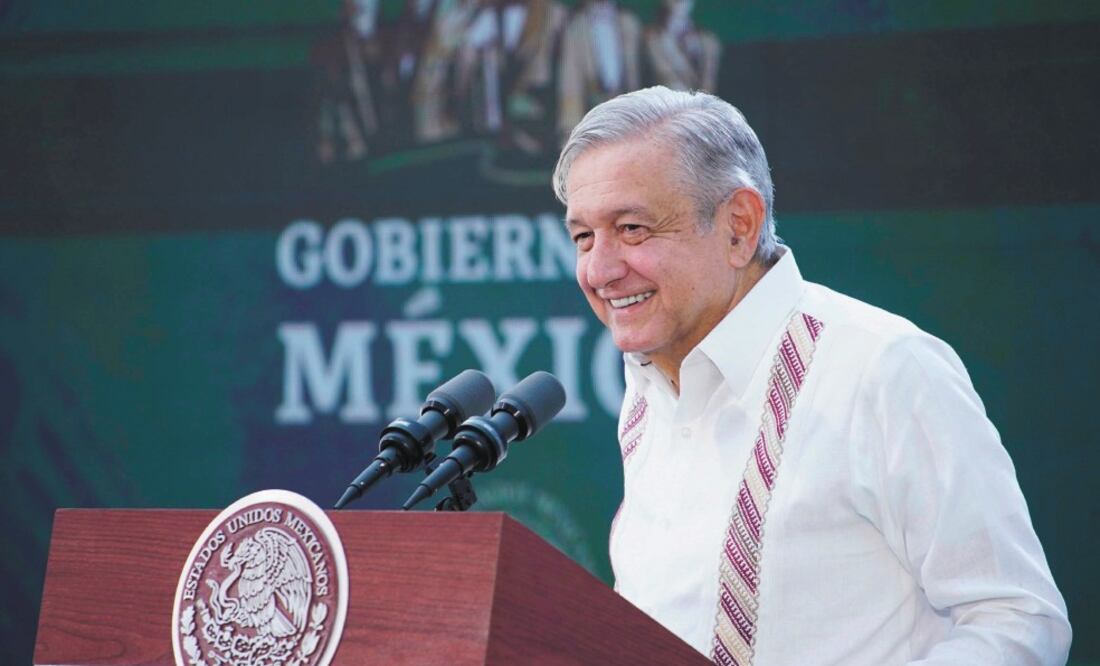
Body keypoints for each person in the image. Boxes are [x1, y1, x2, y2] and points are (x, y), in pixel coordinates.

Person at [552, 86, 1071, 665]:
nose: (599, 270)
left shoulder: (884, 368)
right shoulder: (650, 389)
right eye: (583, 237)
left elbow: (1020, 623)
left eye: (632, 229)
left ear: (739, 227)